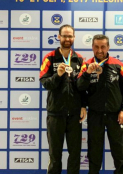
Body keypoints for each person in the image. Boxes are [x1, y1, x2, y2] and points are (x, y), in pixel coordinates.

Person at [77, 34, 123, 174]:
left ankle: (121, 171)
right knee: (94, 149)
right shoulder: (86, 64)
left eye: (103, 47)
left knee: (118, 149)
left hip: (115, 114)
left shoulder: (118, 65)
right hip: (96, 114)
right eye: (96, 47)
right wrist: (88, 73)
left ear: (108, 47)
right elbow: (80, 88)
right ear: (92, 47)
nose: (100, 50)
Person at [39, 24, 87, 174]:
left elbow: (83, 86)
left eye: (70, 36)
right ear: (58, 37)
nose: (67, 39)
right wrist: (58, 75)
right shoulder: (49, 58)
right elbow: (45, 83)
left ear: (74, 38)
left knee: (74, 155)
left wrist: (83, 106)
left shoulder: (79, 59)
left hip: (74, 115)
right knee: (55, 155)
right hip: (55, 114)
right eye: (64, 36)